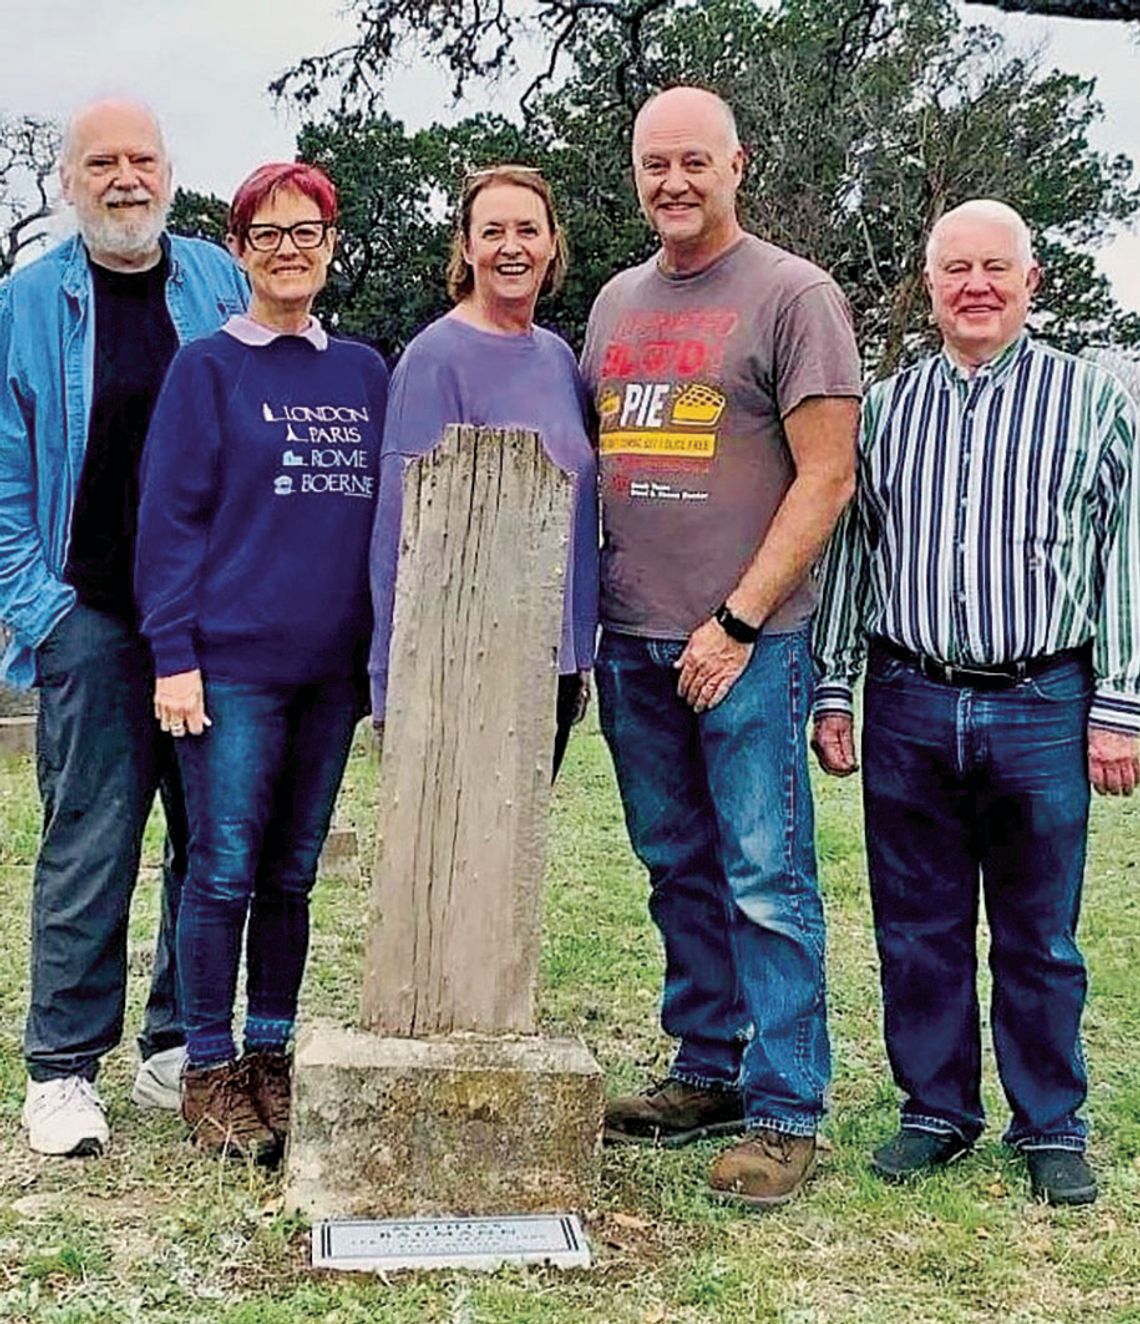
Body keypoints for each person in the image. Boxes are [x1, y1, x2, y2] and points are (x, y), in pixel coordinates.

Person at [812, 199, 1140, 1207]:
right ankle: (935, 1110)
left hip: (1043, 697)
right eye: (956, 269)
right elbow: (852, 554)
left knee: (1040, 931)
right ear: (931, 285)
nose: (976, 286)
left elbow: (1126, 548)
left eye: (997, 267)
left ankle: (1050, 1124)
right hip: (909, 694)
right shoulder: (889, 407)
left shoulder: (1095, 400)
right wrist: (835, 685)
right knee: (918, 925)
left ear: (1031, 282)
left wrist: (1121, 700)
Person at [580, 86, 861, 1207]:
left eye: (694, 161)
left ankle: (787, 1104)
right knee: (676, 867)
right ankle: (707, 1067)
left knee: (764, 874)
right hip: (634, 636)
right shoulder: (612, 302)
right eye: (655, 164)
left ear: (736, 164)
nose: (673, 183)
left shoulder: (797, 295)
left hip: (749, 643)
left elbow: (828, 475)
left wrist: (738, 618)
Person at [0, 98, 248, 1157]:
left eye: (142, 157)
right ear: (68, 182)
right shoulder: (28, 299)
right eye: (100, 161)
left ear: (170, 170)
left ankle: (177, 1043)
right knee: (90, 843)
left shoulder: (216, 281)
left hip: (209, 617)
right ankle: (61, 1068)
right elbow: (5, 470)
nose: (124, 177)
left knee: (208, 840)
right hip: (91, 612)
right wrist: (39, 612)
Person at [135, 162, 388, 1160]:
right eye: (267, 233)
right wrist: (174, 656)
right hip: (229, 666)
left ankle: (273, 1059)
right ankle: (208, 1067)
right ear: (238, 251)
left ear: (332, 244)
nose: (290, 248)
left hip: (329, 671)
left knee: (290, 874)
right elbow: (169, 523)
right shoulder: (205, 369)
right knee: (223, 866)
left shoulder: (364, 372)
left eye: (308, 230)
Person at [368, 164, 597, 773]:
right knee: (465, 858)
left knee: (517, 855)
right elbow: (399, 533)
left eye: (528, 229)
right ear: (466, 248)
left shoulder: (558, 359)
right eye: (492, 231)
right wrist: (391, 681)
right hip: (465, 661)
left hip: (553, 661)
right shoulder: (434, 359)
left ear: (552, 244)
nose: (512, 247)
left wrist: (579, 654)